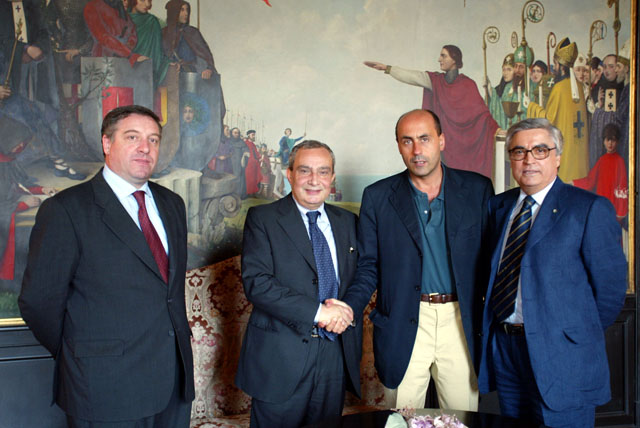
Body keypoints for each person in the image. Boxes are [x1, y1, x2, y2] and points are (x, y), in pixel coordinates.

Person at [18, 105, 194, 428]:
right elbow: (38, 302)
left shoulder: (172, 205)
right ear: (107, 143)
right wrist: (79, 353)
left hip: (173, 384)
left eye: (153, 140)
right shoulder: (66, 210)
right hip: (104, 386)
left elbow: (168, 293)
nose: (145, 148)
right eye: (133, 137)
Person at [478, 118, 627, 427]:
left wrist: (569, 334)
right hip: (506, 350)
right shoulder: (499, 207)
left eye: (540, 150)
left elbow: (610, 292)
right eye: (519, 151)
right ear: (511, 159)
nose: (529, 159)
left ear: (557, 157)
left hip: (563, 356)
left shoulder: (588, 208)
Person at [342, 109, 494, 411]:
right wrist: (348, 308)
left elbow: (492, 258)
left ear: (441, 141)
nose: (416, 150)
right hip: (402, 321)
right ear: (398, 146)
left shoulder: (478, 189)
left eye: (424, 139)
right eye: (407, 141)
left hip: (461, 320)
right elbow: (368, 266)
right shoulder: (377, 196)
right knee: (402, 420)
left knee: (460, 420)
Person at [236, 140, 361, 427]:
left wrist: (346, 312)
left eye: (323, 171)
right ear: (289, 174)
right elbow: (257, 283)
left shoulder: (348, 222)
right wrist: (320, 312)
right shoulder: (263, 218)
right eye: (305, 170)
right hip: (281, 354)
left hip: (334, 353)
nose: (314, 180)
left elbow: (362, 275)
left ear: (332, 177)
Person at [363, 45, 498, 178]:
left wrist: (496, 129)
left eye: (443, 56)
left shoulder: (468, 84)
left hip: (466, 145)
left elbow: (482, 114)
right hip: (445, 146)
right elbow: (414, 76)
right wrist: (387, 68)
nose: (439, 59)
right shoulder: (436, 81)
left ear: (454, 59)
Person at [526, 37, 588, 183]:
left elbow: (547, 120)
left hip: (565, 153)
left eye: (556, 64)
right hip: (579, 153)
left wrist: (531, 106)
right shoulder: (579, 87)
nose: (555, 68)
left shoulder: (559, 88)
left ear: (562, 67)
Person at [574, 123, 627, 222]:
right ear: (603, 141)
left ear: (618, 142)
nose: (610, 143)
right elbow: (590, 181)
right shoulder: (602, 160)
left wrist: (620, 213)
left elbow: (622, 187)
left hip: (613, 210)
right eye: (607, 140)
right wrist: (573, 183)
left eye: (613, 140)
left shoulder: (620, 161)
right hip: (601, 207)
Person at [162, 0, 217, 80]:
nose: (186, 13)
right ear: (174, 12)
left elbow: (204, 56)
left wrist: (208, 69)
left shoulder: (193, 32)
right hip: (171, 78)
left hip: (192, 76)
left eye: (187, 10)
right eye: (182, 10)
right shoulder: (164, 33)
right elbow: (160, 58)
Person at [84, 0, 149, 65]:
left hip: (123, 58)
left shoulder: (119, 7)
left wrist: (128, 46)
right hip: (102, 58)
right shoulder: (93, 6)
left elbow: (132, 31)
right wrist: (128, 54)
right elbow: (103, 37)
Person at [128, 0, 171, 86]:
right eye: (142, 0)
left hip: (148, 71)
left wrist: (167, 62)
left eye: (149, 0)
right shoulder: (122, 19)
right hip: (126, 68)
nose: (147, 4)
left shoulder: (152, 21)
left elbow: (158, 52)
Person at [244, 130, 261, 196]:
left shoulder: (253, 144)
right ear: (248, 135)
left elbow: (256, 154)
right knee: (249, 178)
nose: (254, 136)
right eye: (252, 135)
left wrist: (259, 158)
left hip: (254, 164)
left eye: (254, 135)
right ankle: (248, 193)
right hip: (248, 164)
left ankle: (253, 193)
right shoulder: (246, 143)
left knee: (254, 178)